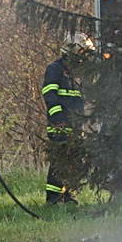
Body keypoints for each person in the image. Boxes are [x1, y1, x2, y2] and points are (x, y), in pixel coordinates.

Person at [42, 32, 95, 204]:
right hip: (60, 123)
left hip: (75, 123)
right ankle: (53, 198)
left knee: (73, 159)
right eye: (83, 52)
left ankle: (66, 195)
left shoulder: (77, 73)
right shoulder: (55, 69)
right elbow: (49, 95)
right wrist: (58, 118)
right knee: (60, 160)